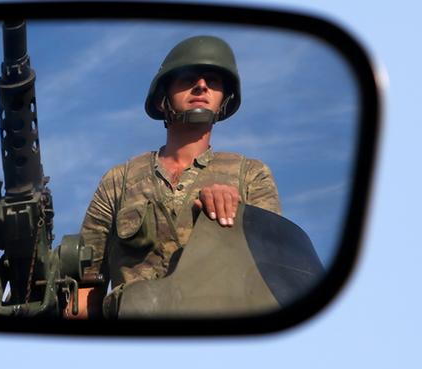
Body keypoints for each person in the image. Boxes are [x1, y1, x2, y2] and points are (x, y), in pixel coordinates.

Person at [69, 36, 281, 319]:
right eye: (188, 78)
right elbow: (86, 283)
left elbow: (272, 271)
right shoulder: (119, 181)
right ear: (161, 99)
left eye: (214, 81)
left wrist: (238, 214)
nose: (202, 86)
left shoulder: (250, 175)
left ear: (224, 101)